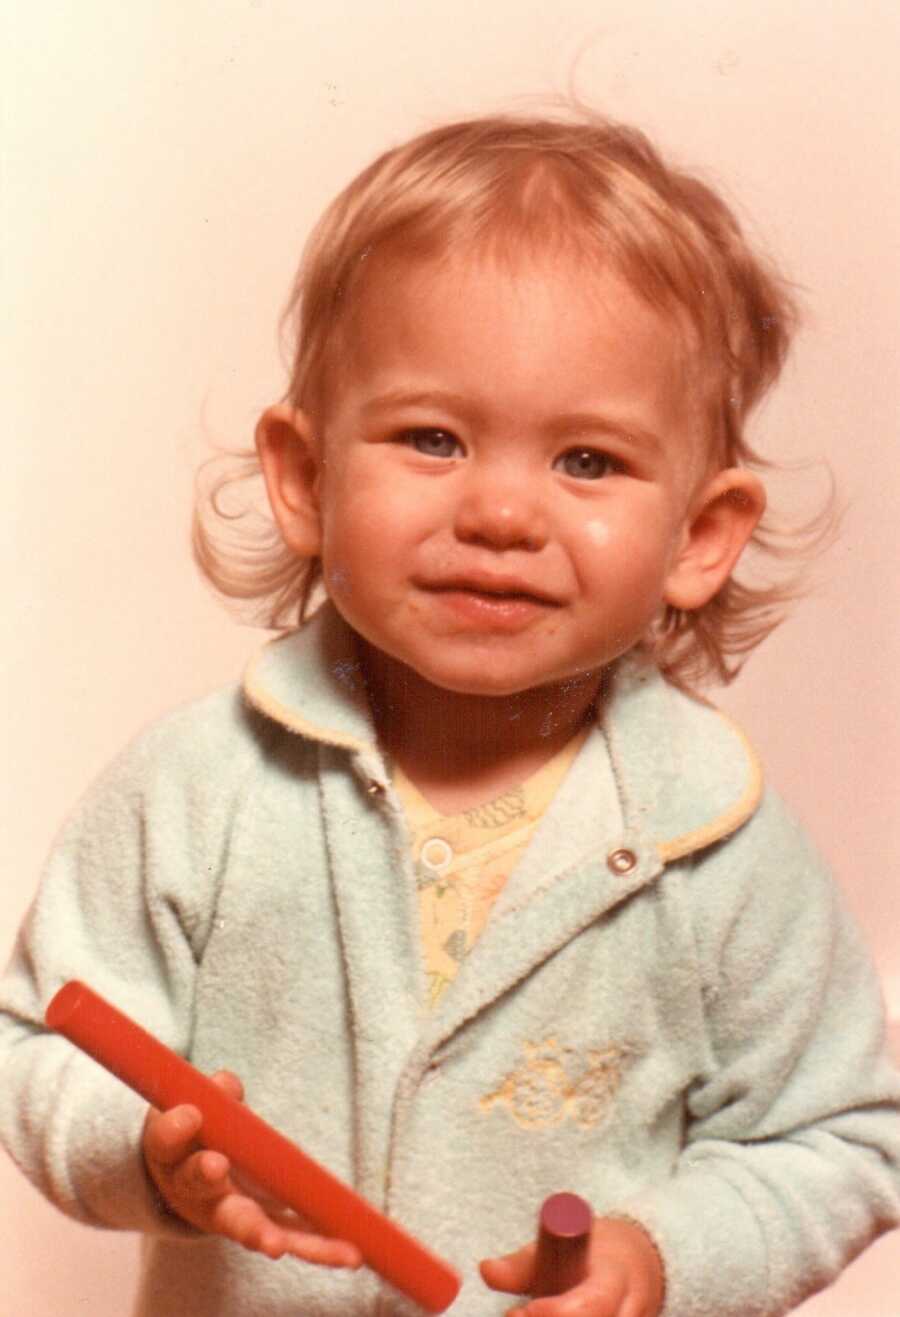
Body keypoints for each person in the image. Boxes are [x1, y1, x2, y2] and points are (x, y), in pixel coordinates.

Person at [1, 110, 898, 1317]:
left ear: (699, 537)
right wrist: (146, 1153)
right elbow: (42, 1043)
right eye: (434, 438)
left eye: (587, 461)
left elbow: (836, 1138)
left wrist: (662, 1256)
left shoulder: (720, 846)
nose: (501, 515)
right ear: (308, 479)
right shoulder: (194, 790)